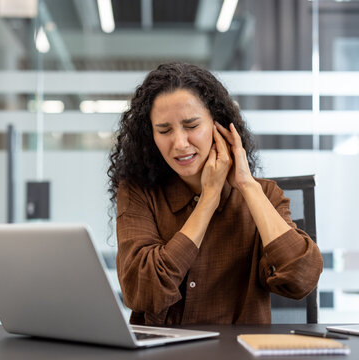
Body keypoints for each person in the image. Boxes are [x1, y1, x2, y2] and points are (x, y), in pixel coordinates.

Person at [107, 62, 323, 325]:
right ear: (150, 135)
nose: (179, 143)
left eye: (191, 125)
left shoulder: (263, 195)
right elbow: (143, 292)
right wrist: (208, 200)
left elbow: (301, 279)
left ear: (218, 126)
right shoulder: (139, 194)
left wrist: (246, 185)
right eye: (164, 130)